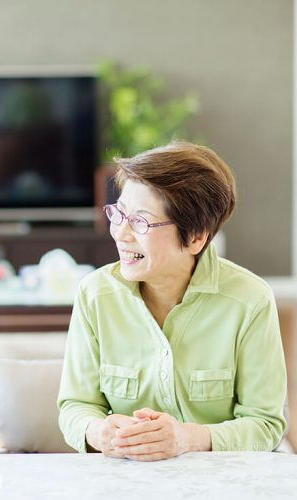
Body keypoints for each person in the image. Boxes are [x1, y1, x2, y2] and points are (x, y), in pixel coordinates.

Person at [58, 142, 287, 461]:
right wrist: (98, 431)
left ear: (196, 236)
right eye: (118, 213)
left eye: (140, 221)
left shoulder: (249, 300)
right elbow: (75, 406)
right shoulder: (95, 294)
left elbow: (265, 424)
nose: (121, 233)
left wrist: (187, 438)